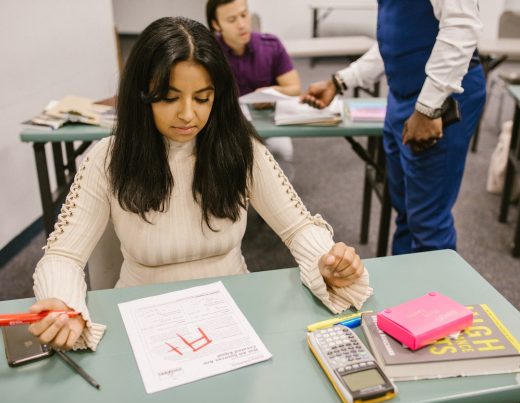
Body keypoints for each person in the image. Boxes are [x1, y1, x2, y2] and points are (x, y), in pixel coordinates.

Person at [28, 17, 371, 351]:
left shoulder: (241, 149)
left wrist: (327, 261)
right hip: (144, 322)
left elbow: (298, 227)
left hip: (232, 315)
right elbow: (62, 255)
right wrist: (62, 305)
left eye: (203, 98)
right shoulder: (109, 158)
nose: (188, 115)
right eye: (169, 97)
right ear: (142, 95)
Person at [302, 0, 486, 255]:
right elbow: (399, 39)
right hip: (403, 97)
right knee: (406, 211)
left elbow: (461, 27)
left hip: (439, 99)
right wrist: (341, 81)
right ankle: (407, 291)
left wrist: (428, 108)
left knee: (427, 221)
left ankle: (434, 292)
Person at [206, 0, 299, 180]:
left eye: (244, 15)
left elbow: (294, 88)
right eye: (232, 19)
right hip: (225, 124)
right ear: (216, 24)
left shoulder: (271, 45)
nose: (242, 24)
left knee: (281, 152)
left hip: (266, 120)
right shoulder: (208, 54)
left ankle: (271, 200)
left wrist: (271, 91)